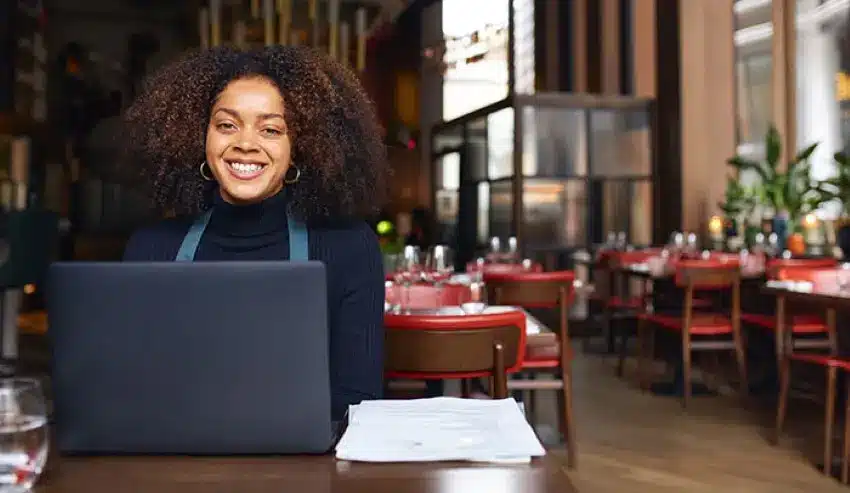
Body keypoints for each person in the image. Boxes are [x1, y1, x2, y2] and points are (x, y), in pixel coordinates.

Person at [120, 46, 388, 422]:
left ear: (301, 147)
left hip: (303, 468)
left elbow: (358, 402)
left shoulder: (349, 247)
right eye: (227, 125)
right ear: (199, 136)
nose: (245, 143)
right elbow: (129, 392)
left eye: (271, 129)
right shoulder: (152, 247)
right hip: (177, 462)